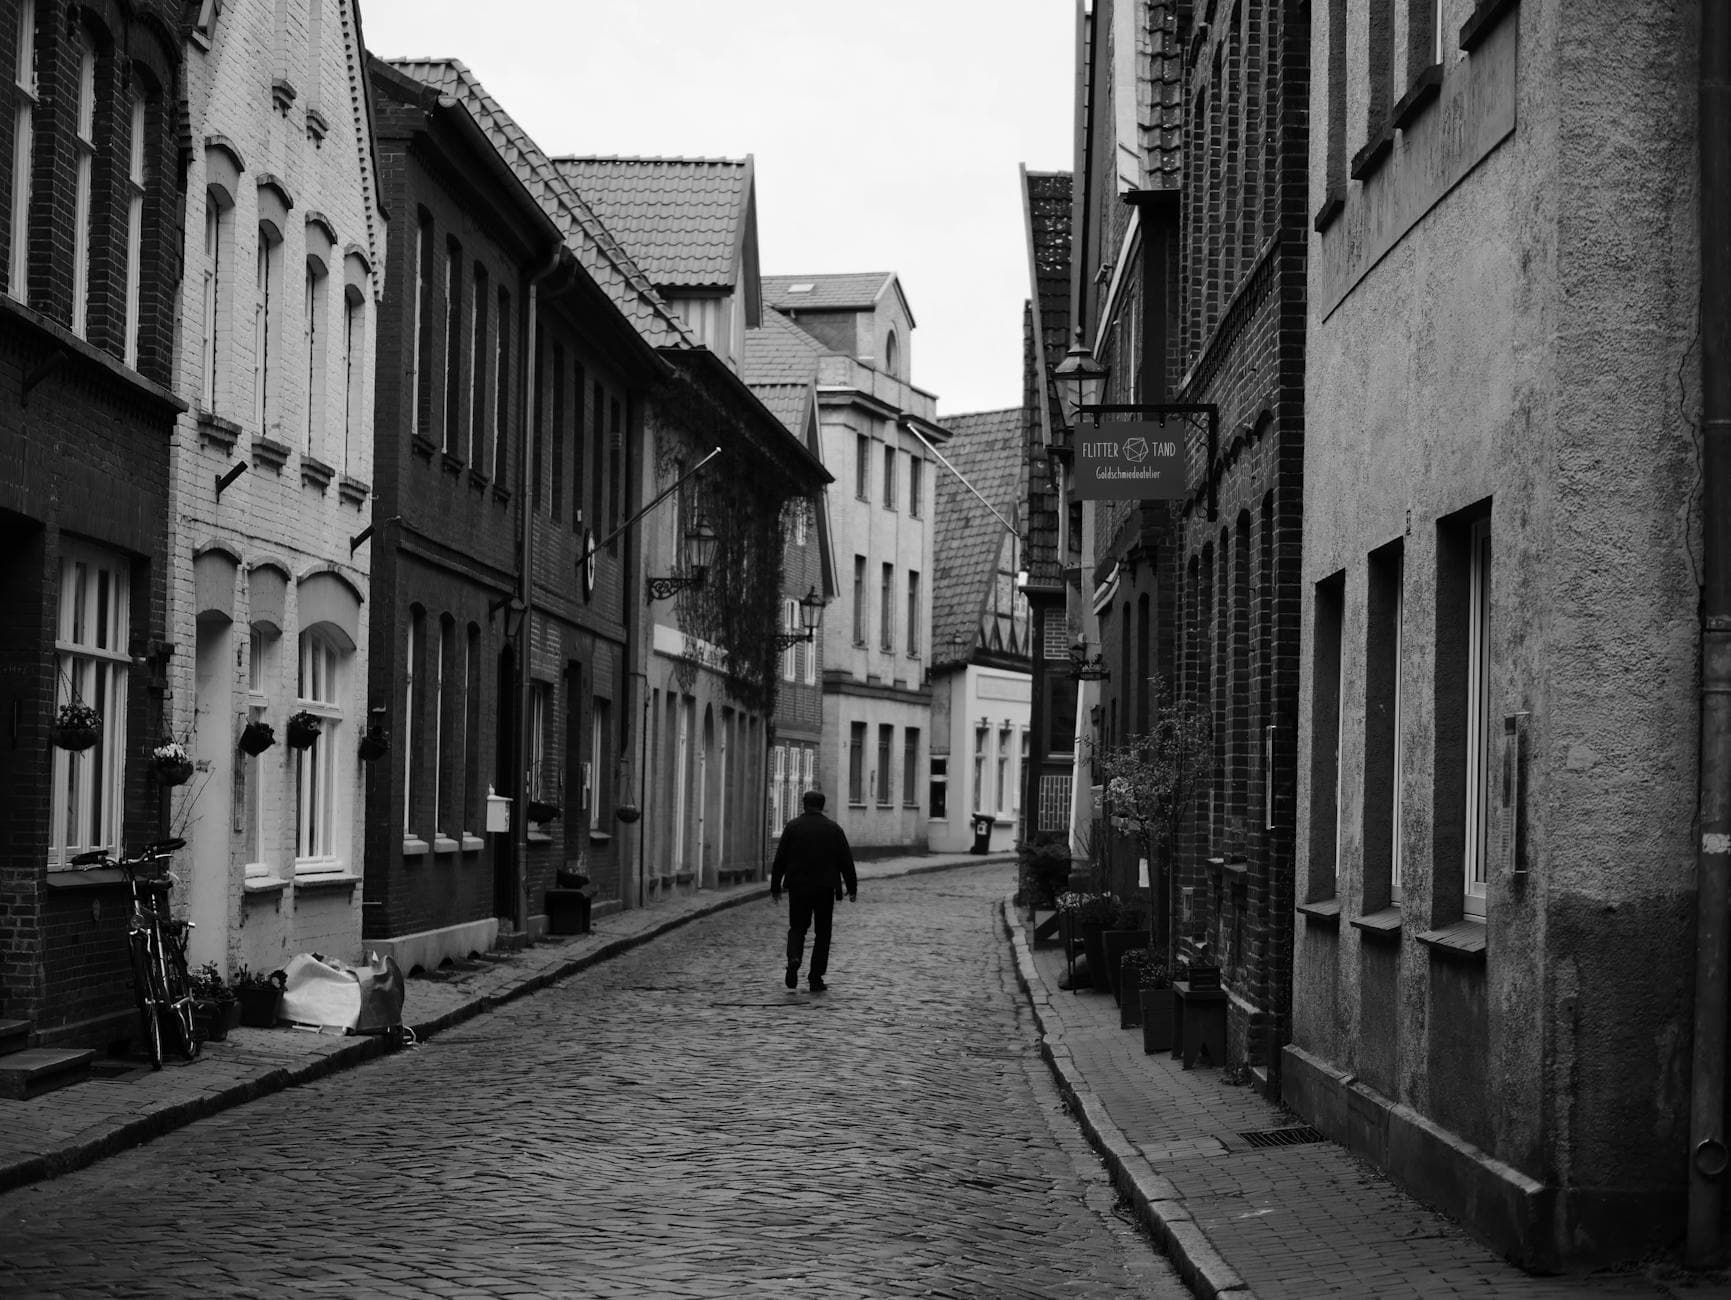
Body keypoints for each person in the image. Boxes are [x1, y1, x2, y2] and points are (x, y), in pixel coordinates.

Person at [770, 789, 858, 992]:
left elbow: (780, 859)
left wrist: (775, 886)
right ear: (822, 805)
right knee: (823, 933)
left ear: (804, 804)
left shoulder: (793, 827)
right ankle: (815, 977)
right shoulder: (833, 829)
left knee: (797, 927)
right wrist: (851, 888)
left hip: (799, 887)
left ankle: (794, 957)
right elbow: (846, 861)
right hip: (825, 888)